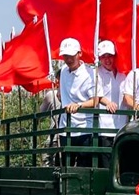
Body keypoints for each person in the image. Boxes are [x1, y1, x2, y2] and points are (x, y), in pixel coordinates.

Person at [58, 37, 97, 166]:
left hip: (84, 129)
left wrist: (79, 105)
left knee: (84, 169)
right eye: (65, 56)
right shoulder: (63, 70)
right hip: (66, 127)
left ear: (79, 54)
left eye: (71, 56)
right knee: (64, 167)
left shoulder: (89, 74)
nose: (68, 59)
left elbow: (95, 100)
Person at [93, 40, 126, 167]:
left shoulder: (123, 76)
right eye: (103, 57)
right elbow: (97, 95)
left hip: (121, 126)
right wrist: (108, 103)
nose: (107, 60)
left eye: (110, 56)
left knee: (121, 163)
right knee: (107, 165)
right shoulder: (96, 74)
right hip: (104, 128)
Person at [39, 83, 62, 166]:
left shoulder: (51, 94)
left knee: (47, 162)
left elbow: (40, 115)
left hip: (55, 136)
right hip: (74, 135)